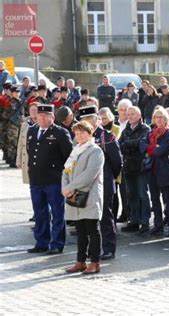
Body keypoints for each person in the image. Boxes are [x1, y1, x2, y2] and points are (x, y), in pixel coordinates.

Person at [26, 104, 73, 254]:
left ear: (52, 117)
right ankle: (41, 242)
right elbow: (30, 151)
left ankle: (57, 243)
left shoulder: (60, 133)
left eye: (46, 116)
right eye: (40, 116)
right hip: (36, 179)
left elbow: (69, 157)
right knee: (40, 212)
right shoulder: (32, 130)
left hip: (54, 179)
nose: (42, 118)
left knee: (57, 213)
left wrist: (65, 178)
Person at [79, 103, 122, 261]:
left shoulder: (107, 137)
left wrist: (109, 178)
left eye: (90, 119)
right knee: (89, 219)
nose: (87, 122)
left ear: (97, 120)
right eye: (84, 119)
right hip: (86, 185)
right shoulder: (82, 138)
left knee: (105, 217)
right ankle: (93, 250)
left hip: (104, 183)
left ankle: (109, 249)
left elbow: (117, 162)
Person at [63, 121, 105, 274]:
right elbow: (65, 171)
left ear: (90, 133)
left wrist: (70, 187)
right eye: (77, 133)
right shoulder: (76, 150)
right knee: (80, 230)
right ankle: (80, 261)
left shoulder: (95, 151)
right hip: (74, 195)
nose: (79, 135)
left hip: (89, 195)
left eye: (82, 132)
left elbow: (90, 174)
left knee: (92, 230)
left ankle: (95, 262)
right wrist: (65, 187)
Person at [140, 107, 169, 237]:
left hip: (165, 171)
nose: (159, 119)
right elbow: (142, 146)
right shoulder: (150, 133)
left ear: (166, 119)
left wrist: (152, 149)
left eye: (161, 117)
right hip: (152, 171)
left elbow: (162, 151)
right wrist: (154, 148)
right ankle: (158, 225)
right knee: (155, 200)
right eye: (156, 117)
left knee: (168, 199)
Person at [119, 106, 151, 234]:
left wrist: (128, 144)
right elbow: (119, 145)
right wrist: (130, 145)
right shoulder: (126, 129)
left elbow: (141, 144)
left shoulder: (145, 129)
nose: (130, 116)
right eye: (129, 114)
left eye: (133, 114)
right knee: (131, 195)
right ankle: (134, 221)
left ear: (139, 115)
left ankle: (144, 222)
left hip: (140, 166)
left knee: (143, 195)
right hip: (128, 166)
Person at [4, 86, 24, 168]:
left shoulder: (20, 102)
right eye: (16, 92)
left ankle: (17, 159)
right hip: (12, 125)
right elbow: (4, 114)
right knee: (12, 143)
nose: (17, 94)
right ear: (12, 93)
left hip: (19, 124)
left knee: (19, 142)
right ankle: (11, 160)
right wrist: (11, 117)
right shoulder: (8, 102)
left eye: (18, 92)